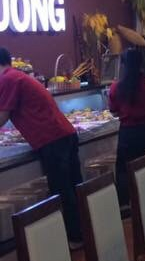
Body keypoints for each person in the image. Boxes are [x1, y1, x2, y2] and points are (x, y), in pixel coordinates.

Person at [0, 47, 85, 247]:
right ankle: (85, 233)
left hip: (52, 139)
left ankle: (74, 238)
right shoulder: (17, 76)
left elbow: (2, 116)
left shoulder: (8, 79)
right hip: (64, 134)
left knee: (63, 191)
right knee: (74, 187)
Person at [109, 48, 145, 210]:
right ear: (142, 63)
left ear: (123, 65)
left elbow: (114, 112)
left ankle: (127, 206)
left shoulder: (116, 87)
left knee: (125, 171)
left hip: (129, 134)